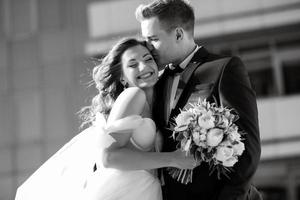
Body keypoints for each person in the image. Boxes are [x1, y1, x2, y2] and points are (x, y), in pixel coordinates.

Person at [15, 37, 195, 200]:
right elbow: (108, 157)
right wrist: (172, 158)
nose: (144, 67)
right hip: (122, 190)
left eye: (148, 59)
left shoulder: (154, 102)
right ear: (122, 78)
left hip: (143, 190)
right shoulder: (134, 95)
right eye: (133, 65)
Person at [135, 0, 262, 200]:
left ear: (178, 34)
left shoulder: (224, 68)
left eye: (153, 39)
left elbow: (248, 147)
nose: (148, 48)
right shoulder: (155, 84)